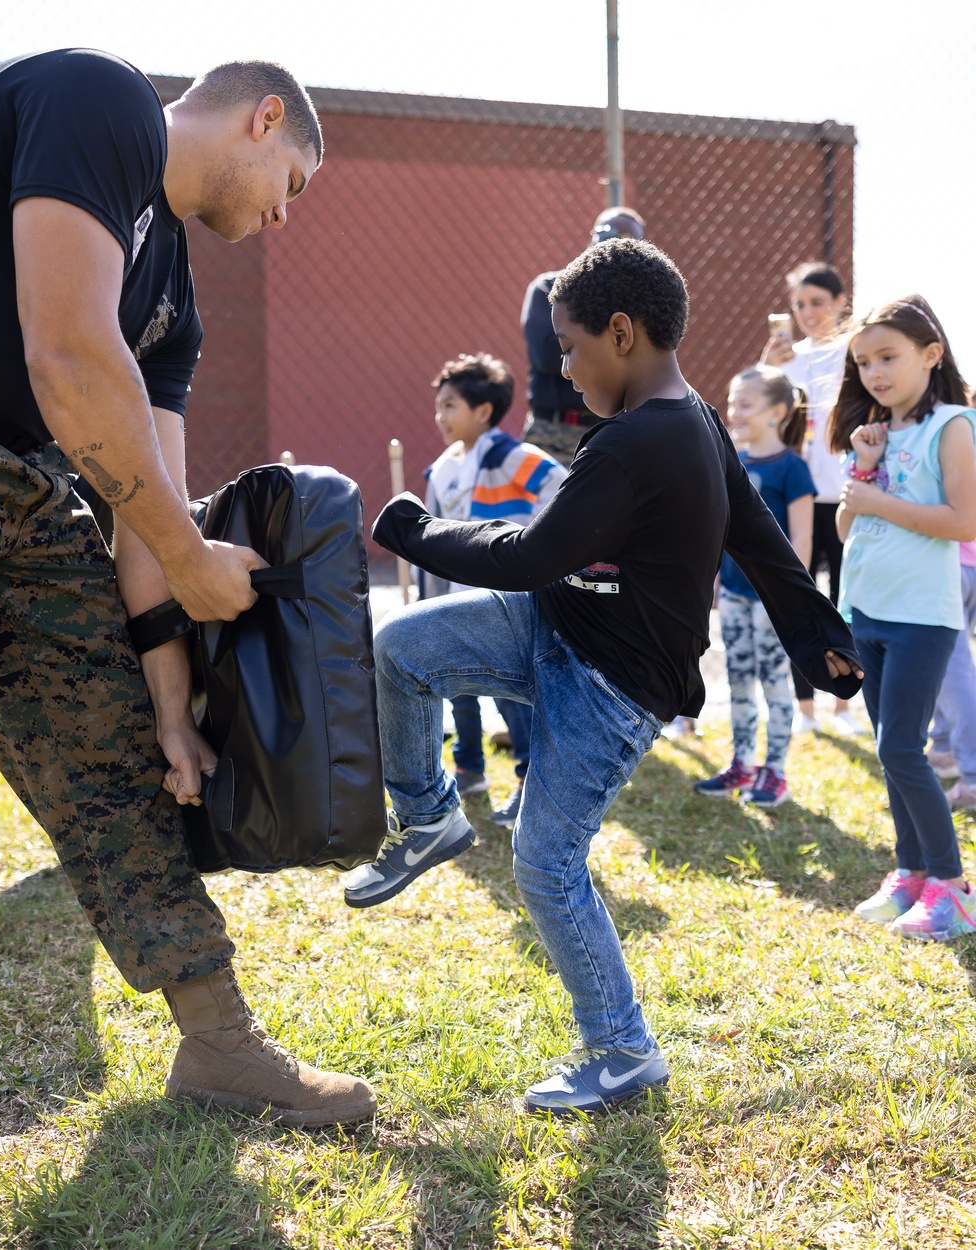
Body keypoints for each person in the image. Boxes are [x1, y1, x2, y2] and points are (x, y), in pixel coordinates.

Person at [343, 239, 862, 1115]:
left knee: (546, 865)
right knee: (403, 651)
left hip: (612, 684)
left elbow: (533, 551)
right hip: (555, 620)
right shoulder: (679, 414)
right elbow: (757, 534)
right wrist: (814, 630)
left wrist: (413, 530)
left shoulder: (650, 437)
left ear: (621, 334)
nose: (563, 372)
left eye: (570, 350)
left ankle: (622, 1049)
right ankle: (429, 818)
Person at [0, 49, 376, 1126]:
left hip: (20, 492)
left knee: (115, 760)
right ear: (261, 118)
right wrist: (192, 555)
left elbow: (153, 503)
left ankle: (219, 1045)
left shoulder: (172, 303)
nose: (285, 218)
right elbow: (63, 355)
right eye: (293, 184)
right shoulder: (100, 101)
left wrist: (167, 712)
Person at [832, 296, 976, 941]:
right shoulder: (873, 433)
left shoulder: (953, 424)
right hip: (867, 611)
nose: (875, 372)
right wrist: (864, 468)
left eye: (888, 357)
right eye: (864, 362)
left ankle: (953, 887)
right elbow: (845, 525)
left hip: (923, 614)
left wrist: (878, 498)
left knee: (901, 746)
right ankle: (910, 873)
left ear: (931, 354)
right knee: (892, 754)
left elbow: (964, 521)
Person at [420, 352, 566, 824]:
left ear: (483, 411)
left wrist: (531, 549)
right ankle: (469, 767)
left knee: (507, 691)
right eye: (439, 406)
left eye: (450, 406)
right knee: (455, 682)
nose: (440, 417)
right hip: (456, 595)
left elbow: (560, 488)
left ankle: (529, 778)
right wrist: (428, 597)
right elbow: (430, 533)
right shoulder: (442, 469)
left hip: (502, 598)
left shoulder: (514, 458)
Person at [694, 366, 815, 807]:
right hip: (732, 594)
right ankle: (741, 762)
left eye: (746, 404)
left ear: (776, 413)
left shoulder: (793, 468)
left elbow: (802, 538)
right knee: (739, 679)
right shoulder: (730, 462)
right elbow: (716, 529)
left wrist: (790, 594)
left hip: (772, 601)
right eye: (732, 403)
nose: (734, 412)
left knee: (774, 681)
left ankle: (775, 771)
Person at [762, 262, 864, 736]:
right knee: (800, 599)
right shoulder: (787, 358)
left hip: (845, 493)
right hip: (798, 496)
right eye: (799, 304)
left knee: (845, 596)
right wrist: (768, 368)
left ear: (841, 302)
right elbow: (763, 422)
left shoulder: (856, 352)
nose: (807, 312)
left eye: (817, 302)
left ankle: (846, 708)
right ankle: (805, 708)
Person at [520, 206, 645, 467]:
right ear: (591, 239)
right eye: (604, 233)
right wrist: (610, 349)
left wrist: (583, 346)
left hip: (609, 429)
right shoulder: (550, 289)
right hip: (551, 432)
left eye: (623, 239)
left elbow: (643, 359)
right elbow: (547, 354)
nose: (610, 244)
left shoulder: (638, 301)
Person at [927, 542, 976, 810]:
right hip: (965, 564)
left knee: (954, 672)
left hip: (947, 567)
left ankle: (973, 780)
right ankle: (945, 749)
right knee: (944, 665)